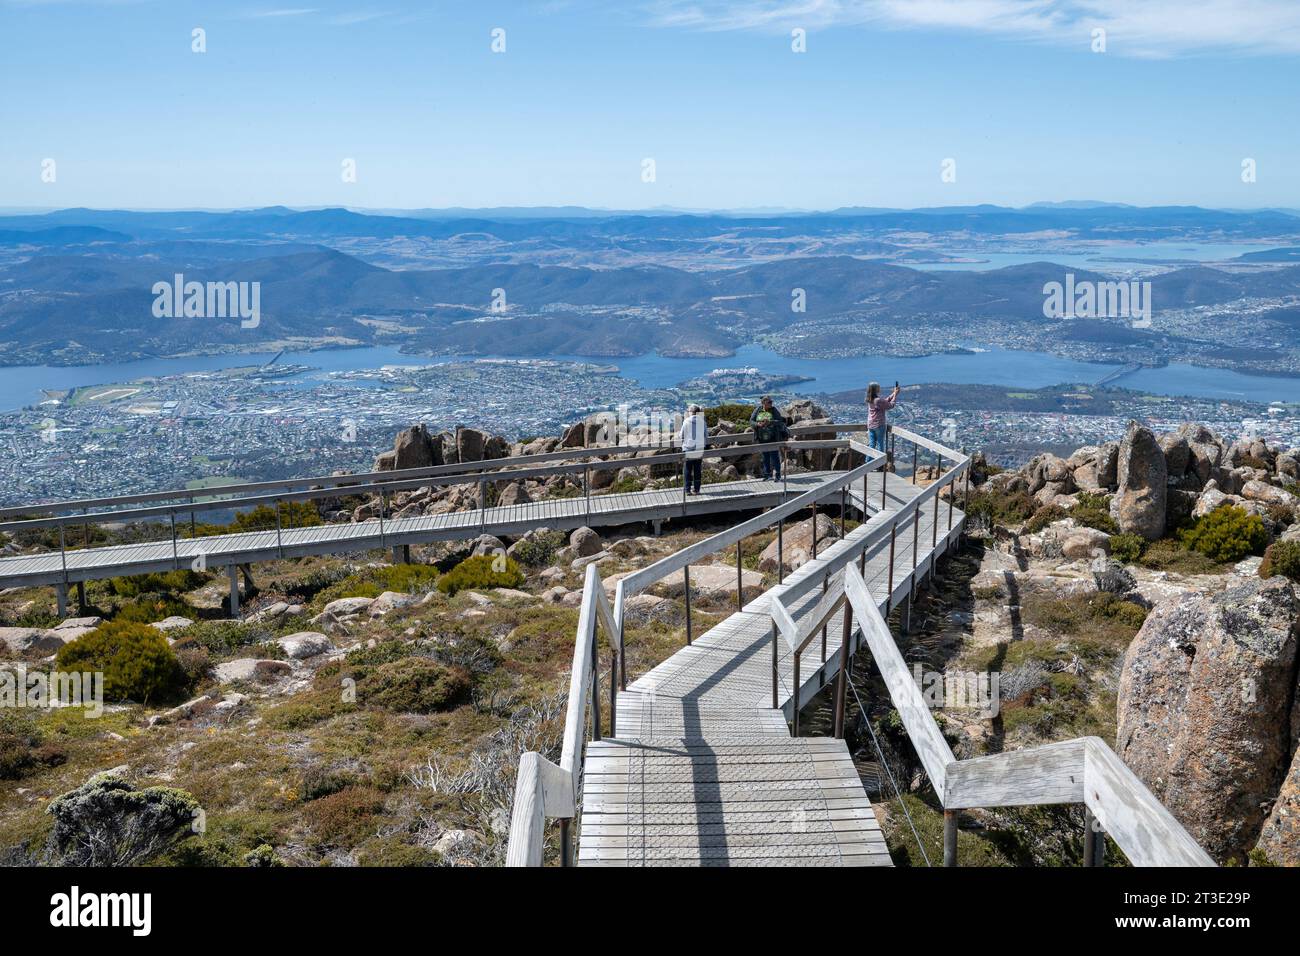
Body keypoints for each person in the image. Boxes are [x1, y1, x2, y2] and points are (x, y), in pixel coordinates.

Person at [749, 396, 788, 481]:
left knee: (774, 456)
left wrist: (771, 422)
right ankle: (767, 475)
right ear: (763, 403)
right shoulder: (758, 410)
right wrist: (758, 424)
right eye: (769, 402)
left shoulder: (774, 410)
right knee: (765, 457)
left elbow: (780, 421)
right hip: (761, 438)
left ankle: (778, 475)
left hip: (773, 437)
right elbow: (751, 421)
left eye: (771, 402)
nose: (771, 403)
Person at [678, 403, 707, 495]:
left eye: (689, 411)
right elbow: (706, 435)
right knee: (697, 469)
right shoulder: (703, 422)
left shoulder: (686, 421)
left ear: (691, 412)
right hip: (699, 448)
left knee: (687, 469)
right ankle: (697, 489)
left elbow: (681, 435)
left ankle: (687, 490)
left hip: (688, 448)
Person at [865, 381, 900, 451]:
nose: (880, 388)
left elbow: (884, 401)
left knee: (872, 444)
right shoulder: (877, 400)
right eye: (878, 387)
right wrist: (895, 395)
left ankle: (868, 461)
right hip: (879, 425)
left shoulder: (870, 399)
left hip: (871, 425)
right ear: (875, 389)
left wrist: (894, 393)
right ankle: (879, 461)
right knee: (880, 444)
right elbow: (890, 405)